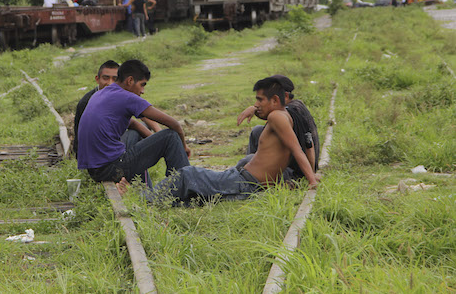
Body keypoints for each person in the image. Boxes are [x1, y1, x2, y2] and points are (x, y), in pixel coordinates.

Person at [138, 77, 319, 205]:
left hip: (244, 183)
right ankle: (155, 199)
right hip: (247, 182)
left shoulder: (277, 118)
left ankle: (147, 199)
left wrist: (311, 181)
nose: (256, 104)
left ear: (275, 100)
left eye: (259, 100)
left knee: (187, 174)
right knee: (194, 197)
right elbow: (298, 146)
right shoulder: (284, 116)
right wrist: (254, 110)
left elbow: (296, 149)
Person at [77, 59, 190, 185]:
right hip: (111, 168)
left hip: (94, 168)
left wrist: (154, 141)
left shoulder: (102, 93)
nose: (142, 91)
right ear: (130, 81)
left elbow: (133, 124)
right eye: (142, 85)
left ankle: (145, 189)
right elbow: (174, 124)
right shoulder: (127, 97)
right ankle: (183, 189)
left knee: (135, 132)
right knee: (170, 136)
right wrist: (184, 147)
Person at [236, 74, 319, 176]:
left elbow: (306, 146)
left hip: (291, 171)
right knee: (257, 131)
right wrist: (255, 109)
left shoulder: (290, 113)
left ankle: (250, 178)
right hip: (298, 168)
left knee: (245, 162)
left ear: (284, 96)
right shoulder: (295, 108)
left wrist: (310, 175)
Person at [73, 60, 120, 155]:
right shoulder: (87, 102)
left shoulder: (118, 96)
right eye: (106, 78)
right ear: (97, 79)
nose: (110, 83)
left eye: (115, 79)